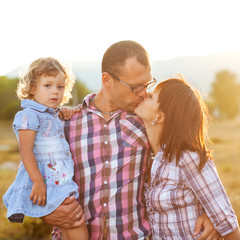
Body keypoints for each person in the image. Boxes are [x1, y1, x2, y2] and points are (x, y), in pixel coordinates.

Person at [43, 41, 221, 240]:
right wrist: (44, 212)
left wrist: (209, 211)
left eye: (147, 85)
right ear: (107, 80)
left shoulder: (147, 121)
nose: (144, 93)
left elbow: (191, 159)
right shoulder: (64, 123)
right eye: (136, 87)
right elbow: (31, 179)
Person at [134, 75, 240, 239]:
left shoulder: (188, 158)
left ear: (161, 116)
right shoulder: (148, 157)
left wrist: (211, 216)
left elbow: (228, 224)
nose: (143, 94)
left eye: (151, 96)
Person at [3, 57, 88, 240]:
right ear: (32, 88)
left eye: (60, 87)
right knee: (75, 220)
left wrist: (65, 112)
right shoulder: (28, 115)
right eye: (47, 85)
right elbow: (25, 151)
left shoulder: (51, 113)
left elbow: (55, 120)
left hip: (58, 178)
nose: (55, 92)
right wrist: (38, 182)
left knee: (68, 223)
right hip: (46, 180)